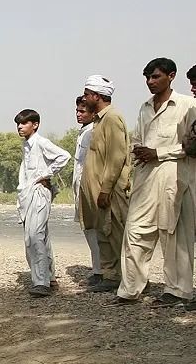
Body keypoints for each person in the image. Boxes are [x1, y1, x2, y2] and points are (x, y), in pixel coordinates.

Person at [116, 58, 196, 305]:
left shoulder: (188, 105)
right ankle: (130, 289)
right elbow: (137, 139)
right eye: (147, 78)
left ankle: (177, 291)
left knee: (174, 235)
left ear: (171, 76)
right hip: (145, 178)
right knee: (135, 231)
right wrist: (140, 151)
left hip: (175, 177)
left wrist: (158, 153)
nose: (150, 82)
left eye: (155, 77)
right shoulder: (145, 107)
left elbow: (190, 147)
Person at [78, 75, 131, 293]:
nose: (84, 98)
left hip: (109, 191)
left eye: (86, 95)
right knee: (103, 234)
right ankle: (110, 276)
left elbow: (116, 157)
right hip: (98, 191)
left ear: (96, 96)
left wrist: (106, 189)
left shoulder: (112, 118)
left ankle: (128, 278)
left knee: (116, 234)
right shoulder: (98, 121)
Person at [15, 110, 71, 297]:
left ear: (35, 125)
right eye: (18, 124)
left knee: (34, 236)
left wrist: (46, 174)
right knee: (41, 236)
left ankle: (41, 282)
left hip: (39, 193)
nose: (20, 127)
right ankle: (49, 278)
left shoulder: (41, 142)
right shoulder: (26, 145)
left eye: (24, 123)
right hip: (28, 194)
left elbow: (64, 156)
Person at [71, 96, 101, 285]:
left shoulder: (93, 132)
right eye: (77, 110)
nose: (78, 114)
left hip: (91, 188)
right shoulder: (83, 132)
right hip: (80, 187)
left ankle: (101, 271)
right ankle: (98, 269)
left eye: (83, 111)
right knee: (88, 229)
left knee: (95, 230)